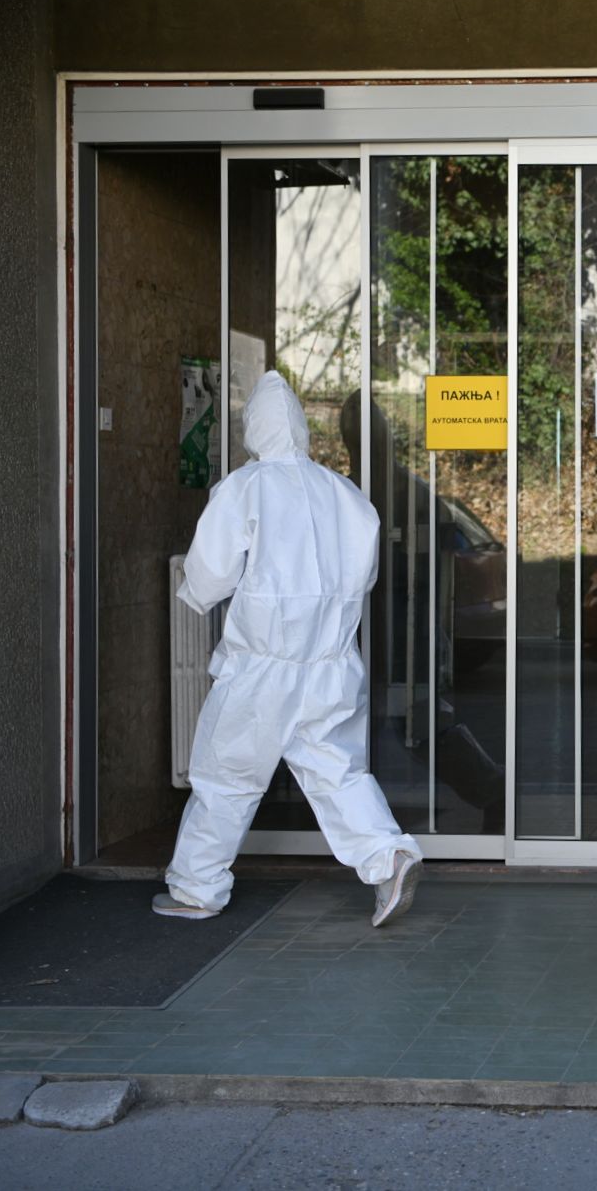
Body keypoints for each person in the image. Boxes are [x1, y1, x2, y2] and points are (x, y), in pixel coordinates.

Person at [154, 371, 424, 928]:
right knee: (339, 773)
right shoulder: (346, 495)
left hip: (262, 667)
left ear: (255, 428)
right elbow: (363, 576)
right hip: (330, 665)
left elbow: (208, 575)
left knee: (226, 777)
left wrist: (197, 596)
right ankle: (387, 856)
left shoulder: (244, 488)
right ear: (300, 429)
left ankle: (197, 890)